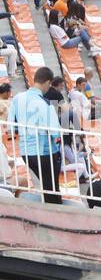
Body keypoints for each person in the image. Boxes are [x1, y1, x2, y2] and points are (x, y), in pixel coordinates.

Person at [10, 66, 62, 202]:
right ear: (48, 83)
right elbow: (55, 132)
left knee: (46, 186)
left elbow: (11, 125)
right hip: (45, 152)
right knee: (52, 189)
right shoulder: (45, 103)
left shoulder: (17, 98)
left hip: (26, 152)